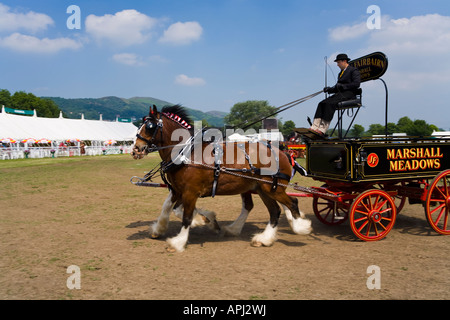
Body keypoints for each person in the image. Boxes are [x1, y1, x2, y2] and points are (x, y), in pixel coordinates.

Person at [310, 53, 361, 137]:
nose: (337, 65)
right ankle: (314, 127)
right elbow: (338, 87)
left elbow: (356, 84)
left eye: (338, 62)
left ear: (344, 61)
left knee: (330, 104)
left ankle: (322, 129)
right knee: (322, 103)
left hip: (349, 94)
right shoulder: (340, 73)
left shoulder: (353, 70)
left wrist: (343, 86)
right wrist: (329, 89)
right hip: (340, 94)